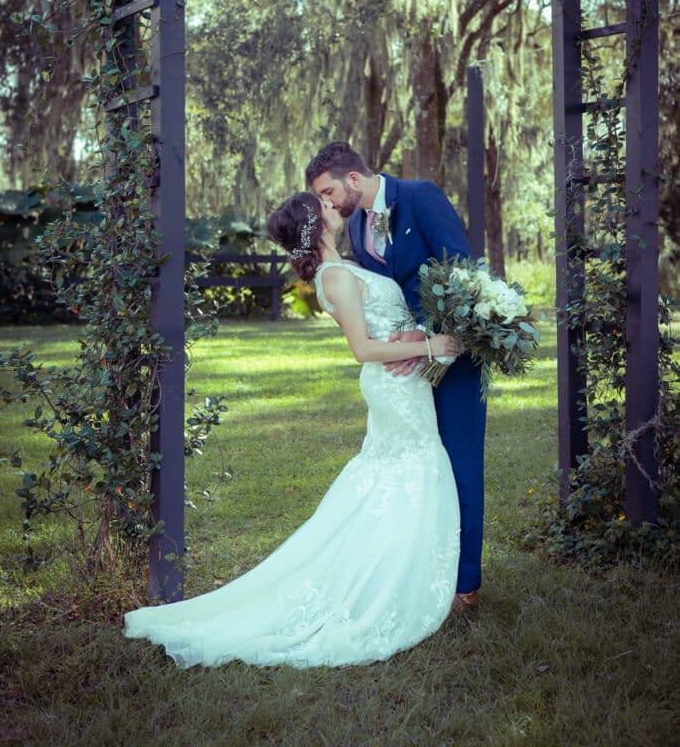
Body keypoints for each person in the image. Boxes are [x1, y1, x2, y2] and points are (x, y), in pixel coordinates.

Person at [124, 192, 460, 668]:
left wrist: (418, 339)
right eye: (323, 205)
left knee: (395, 477)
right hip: (393, 387)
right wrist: (429, 346)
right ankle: (385, 584)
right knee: (404, 473)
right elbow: (362, 350)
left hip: (402, 385)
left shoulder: (343, 268)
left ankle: (394, 571)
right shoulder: (336, 277)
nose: (333, 207)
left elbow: (385, 330)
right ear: (314, 223)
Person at [306, 141, 485, 611]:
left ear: (353, 179)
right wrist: (404, 340)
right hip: (405, 372)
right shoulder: (360, 223)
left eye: (327, 191)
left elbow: (461, 273)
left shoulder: (421, 197)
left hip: (454, 356)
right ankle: (421, 567)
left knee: (460, 462)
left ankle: (464, 584)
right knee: (423, 468)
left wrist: (427, 338)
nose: (325, 203)